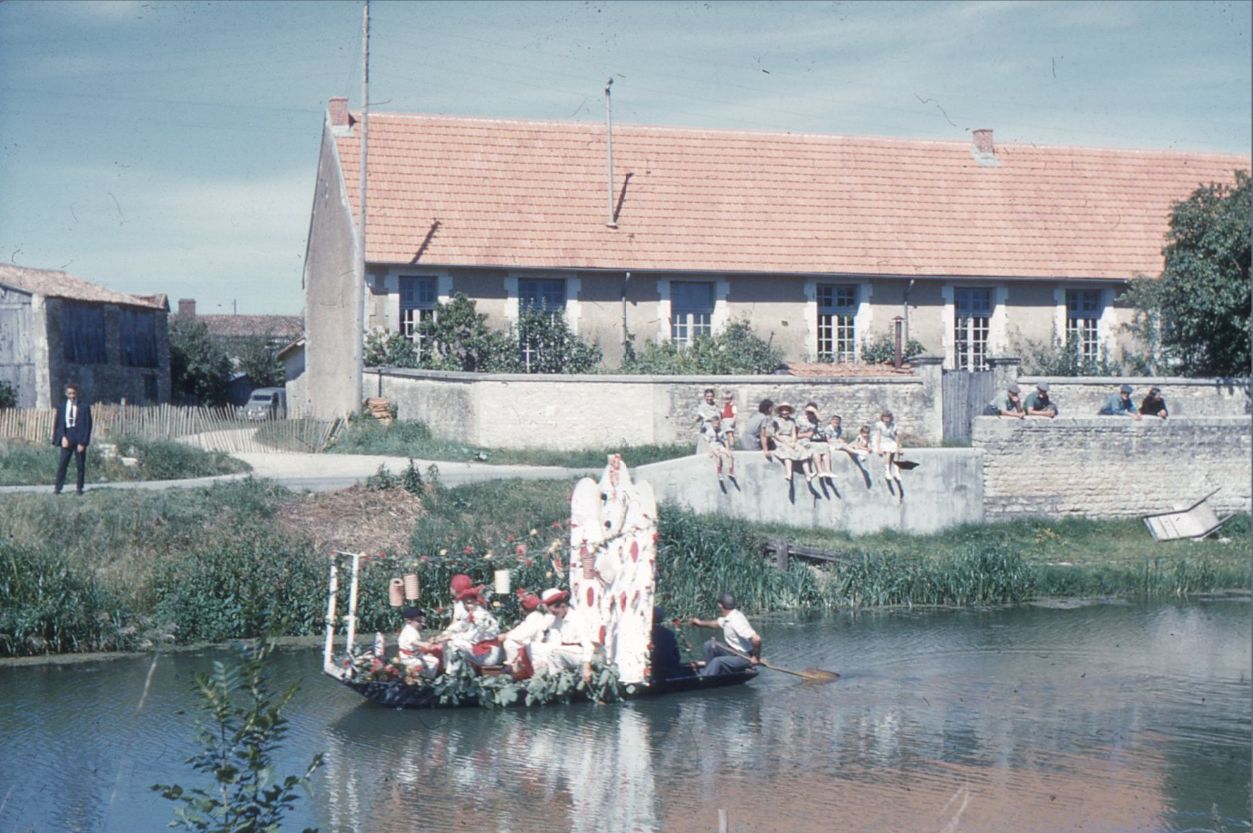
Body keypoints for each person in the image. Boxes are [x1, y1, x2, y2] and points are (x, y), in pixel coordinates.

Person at [688, 591, 761, 677]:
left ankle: (705, 677)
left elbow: (756, 639)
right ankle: (709, 671)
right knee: (709, 645)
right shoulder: (730, 617)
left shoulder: (736, 620)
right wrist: (699, 623)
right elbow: (715, 623)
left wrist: (756, 658)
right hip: (734, 653)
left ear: (720, 605)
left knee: (717, 661)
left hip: (744, 658)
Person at [531, 588, 594, 681]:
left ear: (563, 606)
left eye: (555, 612)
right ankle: (552, 681)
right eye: (552, 612)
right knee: (536, 649)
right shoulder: (556, 621)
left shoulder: (577, 618)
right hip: (565, 654)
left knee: (554, 653)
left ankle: (555, 680)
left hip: (582, 655)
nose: (554, 614)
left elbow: (588, 646)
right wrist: (543, 661)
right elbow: (553, 643)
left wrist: (586, 666)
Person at [439, 587, 503, 669]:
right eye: (464, 603)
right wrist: (445, 634)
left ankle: (454, 673)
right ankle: (449, 671)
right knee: (448, 642)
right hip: (480, 650)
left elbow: (473, 637)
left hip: (488, 655)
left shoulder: (481, 616)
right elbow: (460, 625)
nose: (466, 606)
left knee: (456, 643)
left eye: (469, 603)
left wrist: (451, 636)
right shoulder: (472, 614)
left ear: (476, 602)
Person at [52, 383, 92, 495]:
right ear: (66, 394)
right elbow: (59, 424)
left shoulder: (84, 407)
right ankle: (58, 488)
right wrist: (62, 437)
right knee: (62, 464)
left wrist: (83, 442)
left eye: (73, 393)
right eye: (69, 393)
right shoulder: (61, 407)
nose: (72, 395)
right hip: (67, 436)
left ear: (77, 393)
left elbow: (88, 425)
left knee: (80, 465)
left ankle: (79, 488)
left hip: (79, 436)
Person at [501, 591, 552, 676]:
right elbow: (521, 630)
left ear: (523, 608)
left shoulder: (534, 617)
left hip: (538, 647)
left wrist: (506, 635)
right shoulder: (534, 616)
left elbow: (521, 634)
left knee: (509, 643)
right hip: (534, 643)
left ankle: (516, 670)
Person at [771, 402, 813, 482]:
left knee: (802, 450)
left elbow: (794, 433)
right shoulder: (776, 420)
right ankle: (789, 474)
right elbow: (775, 434)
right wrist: (786, 442)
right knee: (787, 452)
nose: (785, 412)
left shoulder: (792, 421)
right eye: (783, 410)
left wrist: (793, 442)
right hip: (780, 440)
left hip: (790, 439)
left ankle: (808, 474)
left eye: (786, 410)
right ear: (780, 411)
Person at [396, 606, 441, 677]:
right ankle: (429, 678)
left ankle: (422, 675)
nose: (421, 623)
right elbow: (414, 642)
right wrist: (425, 644)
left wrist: (428, 642)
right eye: (418, 621)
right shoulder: (409, 630)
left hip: (413, 655)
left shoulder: (412, 629)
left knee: (429, 657)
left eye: (421, 621)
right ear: (408, 621)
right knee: (434, 661)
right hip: (409, 658)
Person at [800, 403, 834, 482]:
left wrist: (815, 411)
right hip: (804, 440)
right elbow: (795, 434)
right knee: (814, 449)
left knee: (825, 447)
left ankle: (828, 471)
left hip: (813, 441)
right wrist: (806, 435)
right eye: (809, 412)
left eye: (812, 413)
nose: (810, 414)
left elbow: (822, 420)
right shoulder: (800, 420)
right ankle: (820, 471)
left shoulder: (815, 420)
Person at [649, 606, 683, 682]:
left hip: (655, 671)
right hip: (669, 670)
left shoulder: (644, 634)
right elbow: (677, 657)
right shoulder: (670, 634)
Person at [701, 415, 737, 482]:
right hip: (713, 446)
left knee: (730, 454)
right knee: (718, 455)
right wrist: (710, 451)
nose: (716, 426)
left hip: (720, 446)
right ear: (711, 424)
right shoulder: (709, 432)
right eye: (714, 424)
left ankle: (731, 471)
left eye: (717, 424)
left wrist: (727, 448)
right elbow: (707, 442)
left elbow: (725, 440)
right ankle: (719, 472)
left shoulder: (721, 431)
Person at [873, 409, 903, 480]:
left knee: (896, 452)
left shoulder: (893, 425)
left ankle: (896, 471)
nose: (887, 419)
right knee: (888, 452)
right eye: (885, 417)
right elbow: (878, 436)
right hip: (883, 441)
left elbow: (896, 437)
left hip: (890, 441)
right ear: (882, 417)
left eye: (888, 417)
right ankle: (887, 471)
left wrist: (898, 447)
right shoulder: (879, 425)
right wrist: (878, 448)